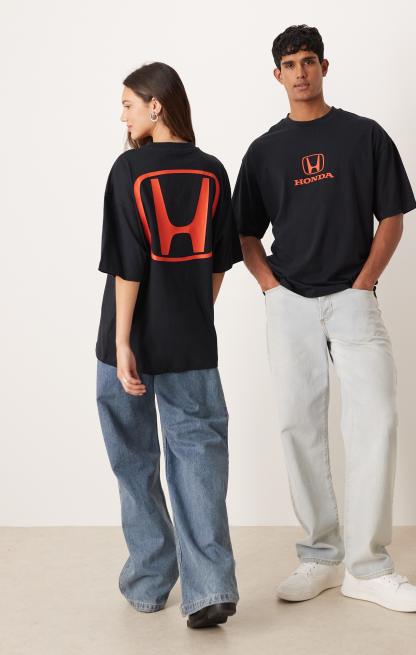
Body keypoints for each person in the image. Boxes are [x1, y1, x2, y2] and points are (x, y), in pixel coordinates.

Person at [232, 25, 416, 613]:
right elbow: (244, 231)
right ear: (276, 75)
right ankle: (320, 556)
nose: (300, 72)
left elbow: (391, 216)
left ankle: (368, 567)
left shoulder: (364, 136)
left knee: (376, 420)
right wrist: (270, 288)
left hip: (353, 298)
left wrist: (364, 283)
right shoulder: (263, 151)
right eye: (290, 64)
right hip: (290, 300)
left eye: (309, 61)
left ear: (324, 66)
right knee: (299, 425)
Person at [95, 62, 242, 628]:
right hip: (191, 343)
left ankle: (151, 579)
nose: (123, 116)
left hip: (128, 340)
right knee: (199, 459)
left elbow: (127, 264)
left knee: (133, 458)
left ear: (156, 105)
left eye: (129, 104)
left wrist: (123, 341)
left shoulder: (129, 169)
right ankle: (210, 589)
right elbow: (219, 262)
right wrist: (192, 314)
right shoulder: (213, 170)